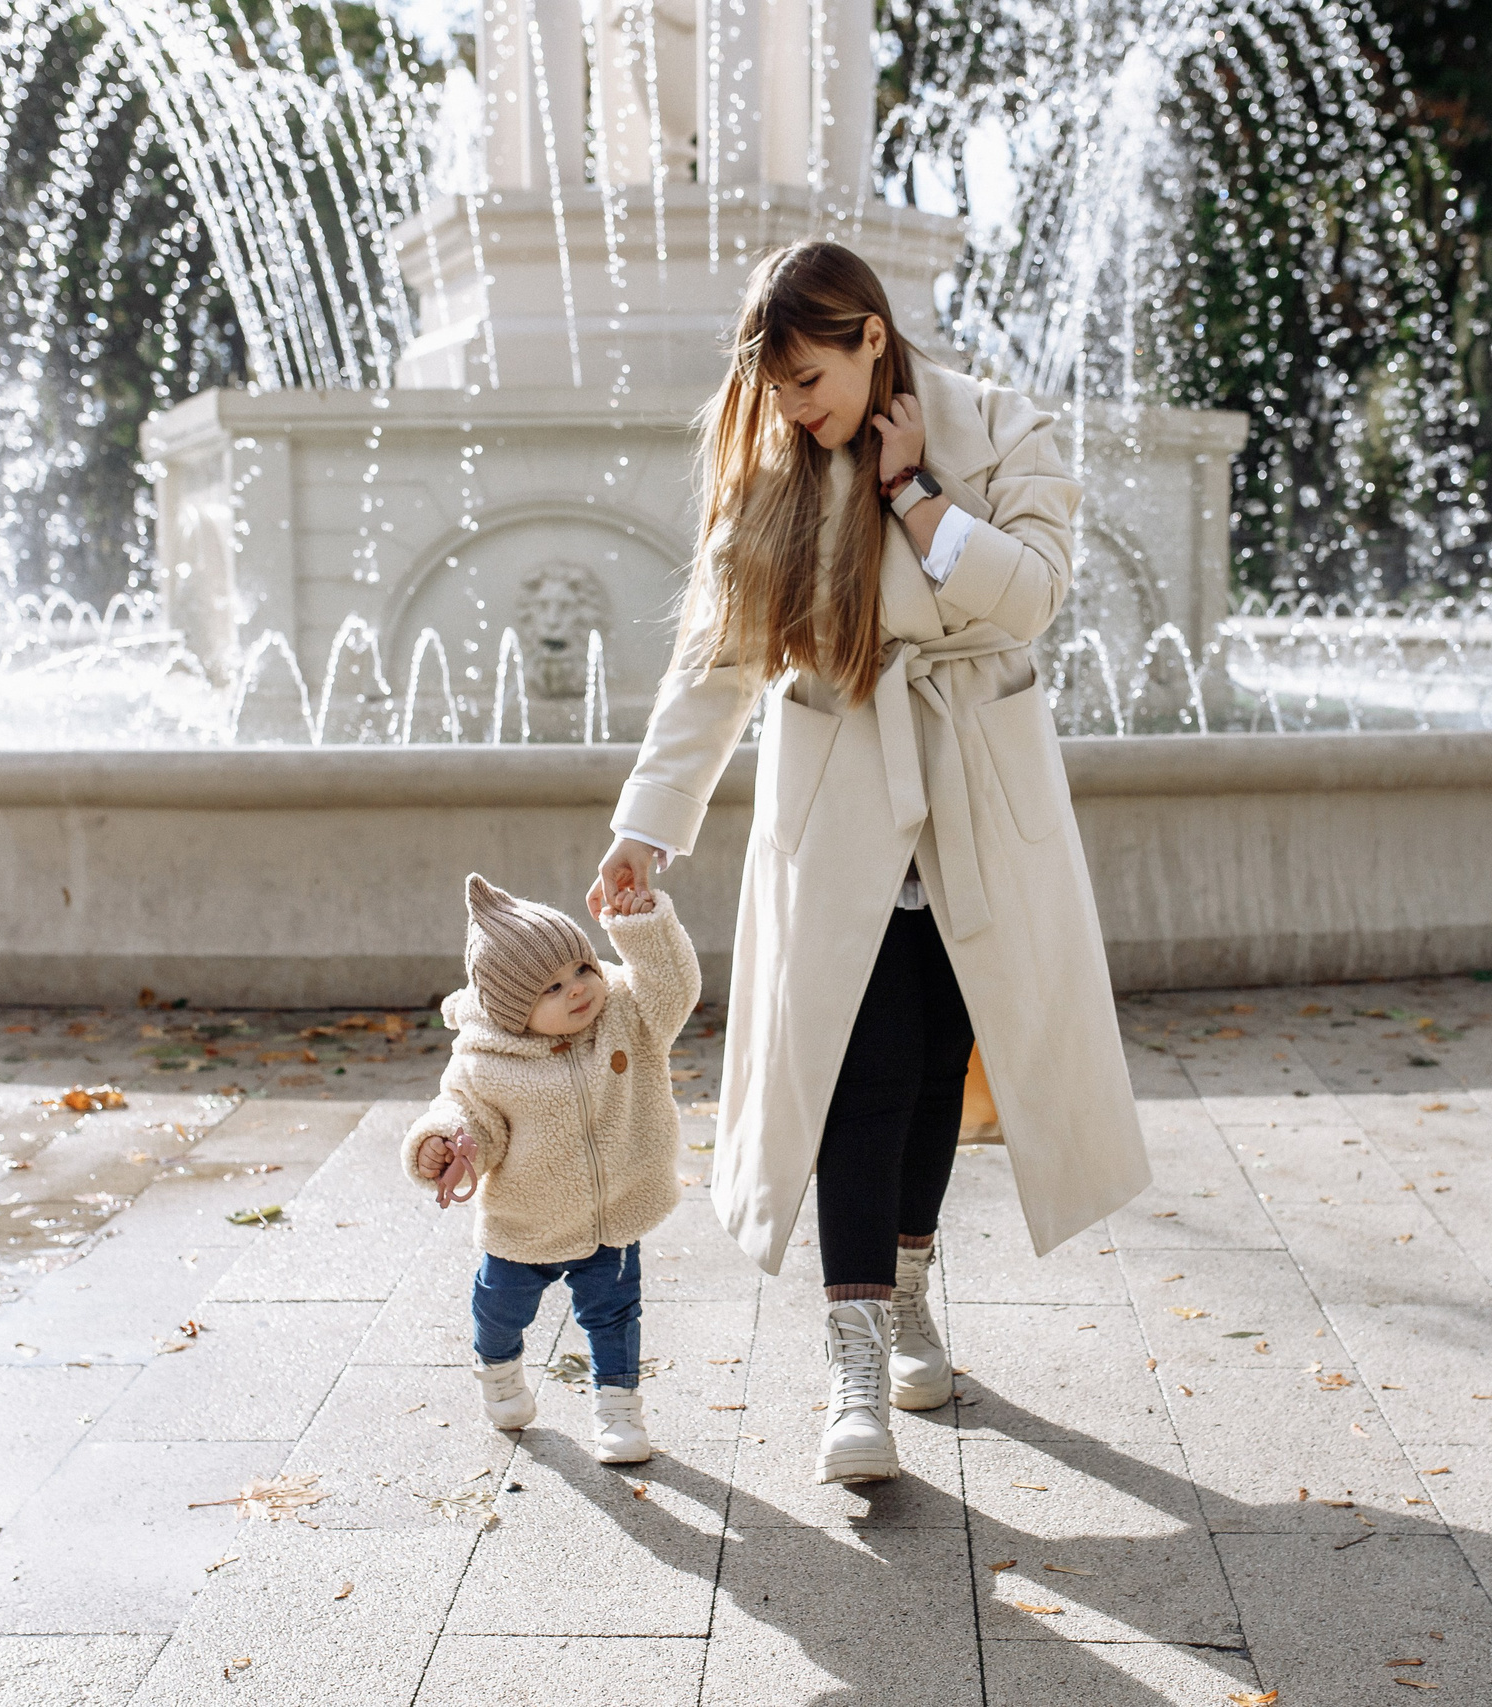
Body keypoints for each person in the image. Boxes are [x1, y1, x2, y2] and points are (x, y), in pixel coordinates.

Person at [586, 240, 1148, 1485]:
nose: (793, 407)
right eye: (776, 386)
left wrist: (916, 497)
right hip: (843, 803)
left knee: (938, 1060)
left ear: (870, 339)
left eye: (809, 379)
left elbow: (1035, 595)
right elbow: (714, 666)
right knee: (857, 1071)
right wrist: (646, 824)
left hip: (977, 801)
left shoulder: (999, 427)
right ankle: (854, 1365)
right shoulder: (774, 480)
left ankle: (905, 1294)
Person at [403, 873, 702, 1464]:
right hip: (527, 1222)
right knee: (501, 1309)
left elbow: (673, 985)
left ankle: (618, 1410)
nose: (578, 989)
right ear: (514, 1010)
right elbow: (467, 1117)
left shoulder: (626, 1013)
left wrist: (640, 927)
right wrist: (440, 1143)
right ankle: (498, 1369)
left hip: (612, 1214)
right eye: (552, 987)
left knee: (615, 1315)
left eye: (583, 968)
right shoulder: (486, 1060)